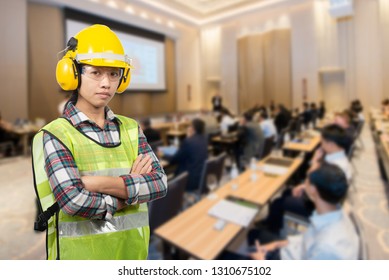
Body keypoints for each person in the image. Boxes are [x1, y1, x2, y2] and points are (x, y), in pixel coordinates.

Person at [32, 24, 167, 260]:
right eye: (96, 72)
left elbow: (159, 183)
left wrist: (95, 182)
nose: (106, 83)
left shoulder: (131, 129)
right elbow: (74, 201)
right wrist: (131, 190)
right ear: (73, 74)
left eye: (114, 74)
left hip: (132, 255)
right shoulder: (55, 134)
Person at [249, 163, 359, 260]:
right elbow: (307, 240)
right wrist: (276, 244)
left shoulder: (327, 248)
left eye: (307, 179)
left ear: (313, 189)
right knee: (253, 234)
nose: (304, 182)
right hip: (293, 251)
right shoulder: (334, 212)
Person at [262, 124, 353, 234]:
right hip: (324, 197)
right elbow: (319, 183)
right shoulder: (338, 157)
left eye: (322, 142)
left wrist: (314, 161)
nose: (321, 145)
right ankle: (273, 220)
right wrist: (304, 186)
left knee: (277, 203)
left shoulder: (336, 165)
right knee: (287, 191)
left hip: (319, 206)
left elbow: (311, 178)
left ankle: (271, 230)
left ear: (331, 144)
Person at [167, 118, 208, 192]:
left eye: (190, 126)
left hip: (189, 180)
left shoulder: (188, 141)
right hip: (201, 176)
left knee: (168, 175)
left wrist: (163, 156)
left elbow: (175, 159)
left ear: (193, 128)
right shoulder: (204, 139)